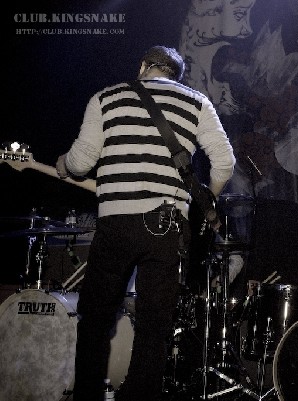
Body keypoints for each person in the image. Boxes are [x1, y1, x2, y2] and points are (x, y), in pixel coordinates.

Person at [56, 45, 235, 401]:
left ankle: (87, 395)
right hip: (167, 225)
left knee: (95, 320)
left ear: (143, 67)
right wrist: (202, 203)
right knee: (155, 325)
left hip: (117, 223)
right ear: (176, 76)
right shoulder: (197, 102)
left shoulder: (107, 97)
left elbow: (81, 163)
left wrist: (63, 164)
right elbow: (225, 164)